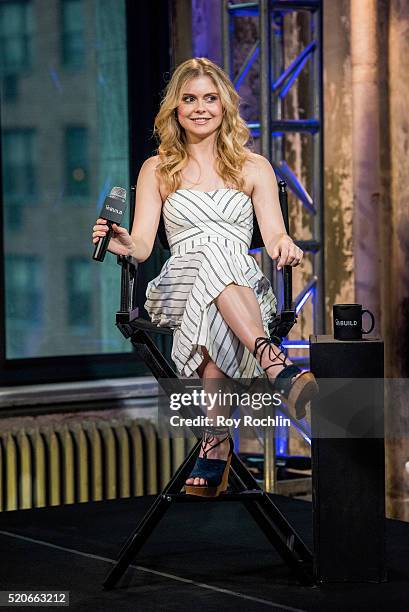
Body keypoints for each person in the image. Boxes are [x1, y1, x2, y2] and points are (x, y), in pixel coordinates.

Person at [92, 57, 318, 498]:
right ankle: (274, 362)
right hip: (176, 286)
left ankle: (215, 443)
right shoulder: (156, 169)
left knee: (216, 307)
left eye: (210, 98)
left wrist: (286, 245)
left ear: (225, 106)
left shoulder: (254, 167)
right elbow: (142, 245)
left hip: (242, 293)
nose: (200, 108)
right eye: (189, 99)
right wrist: (122, 242)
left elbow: (273, 235)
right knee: (211, 250)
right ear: (175, 109)